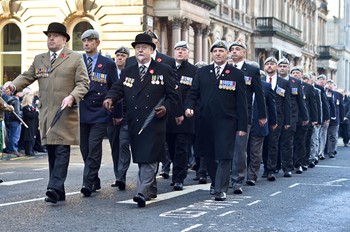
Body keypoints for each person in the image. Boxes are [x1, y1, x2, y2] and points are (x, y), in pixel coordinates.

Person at [2, 22, 89, 204]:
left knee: (61, 149)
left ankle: (53, 188)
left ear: (64, 39)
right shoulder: (40, 58)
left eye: (55, 35)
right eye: (49, 35)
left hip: (65, 112)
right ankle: (59, 190)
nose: (51, 38)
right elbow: (27, 76)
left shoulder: (75, 58)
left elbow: (83, 83)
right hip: (46, 114)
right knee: (51, 150)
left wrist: (73, 97)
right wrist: (13, 84)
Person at [103, 33, 181, 207]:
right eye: (137, 47)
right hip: (134, 121)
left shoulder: (164, 70)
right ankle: (151, 189)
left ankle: (141, 192)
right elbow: (118, 88)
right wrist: (110, 98)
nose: (139, 50)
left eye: (144, 47)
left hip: (154, 121)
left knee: (149, 156)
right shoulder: (128, 70)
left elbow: (173, 96)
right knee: (141, 156)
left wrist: (166, 108)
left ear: (152, 50)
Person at [185, 40, 248, 201]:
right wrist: (189, 106)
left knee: (224, 155)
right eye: (215, 51)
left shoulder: (236, 74)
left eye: (221, 51)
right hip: (206, 121)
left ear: (227, 54)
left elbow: (242, 102)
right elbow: (193, 93)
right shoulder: (203, 72)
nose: (218, 54)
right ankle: (215, 181)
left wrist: (242, 126)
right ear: (212, 54)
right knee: (208, 155)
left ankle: (221, 189)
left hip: (227, 122)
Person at [79, 29, 118, 197]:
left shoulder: (108, 63)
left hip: (100, 111)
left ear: (97, 43)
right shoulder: (77, 60)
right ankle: (94, 178)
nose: (87, 43)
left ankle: (87, 183)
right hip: (81, 110)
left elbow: (115, 87)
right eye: (84, 40)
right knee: (84, 148)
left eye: (90, 40)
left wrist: (116, 112)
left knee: (94, 146)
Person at [228, 39, 266, 194]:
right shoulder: (225, 69)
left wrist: (262, 115)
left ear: (244, 52)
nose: (235, 51)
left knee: (239, 150)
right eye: (232, 49)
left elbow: (259, 94)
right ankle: (223, 178)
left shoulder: (251, 70)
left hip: (244, 115)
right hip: (225, 114)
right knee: (224, 148)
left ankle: (237, 180)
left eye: (238, 49)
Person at [166, 41, 197, 191]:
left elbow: (194, 93)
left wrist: (189, 108)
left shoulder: (193, 71)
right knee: (171, 148)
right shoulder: (167, 68)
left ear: (188, 53)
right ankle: (176, 172)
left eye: (183, 50)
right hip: (168, 115)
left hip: (186, 116)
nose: (180, 52)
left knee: (182, 148)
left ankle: (179, 178)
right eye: (177, 49)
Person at [262, 57, 291, 181]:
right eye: (267, 64)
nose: (269, 66)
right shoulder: (260, 80)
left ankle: (271, 169)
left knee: (273, 144)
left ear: (276, 67)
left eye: (272, 64)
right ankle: (265, 167)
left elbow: (288, 103)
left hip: (278, 118)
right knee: (263, 144)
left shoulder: (283, 83)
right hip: (262, 117)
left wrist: (287, 121)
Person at [109, 46, 131, 190]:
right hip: (110, 116)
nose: (120, 58)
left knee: (123, 145)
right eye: (118, 55)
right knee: (114, 147)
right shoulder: (110, 72)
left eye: (123, 55)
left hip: (126, 116)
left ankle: (121, 177)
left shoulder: (131, 72)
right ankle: (118, 174)